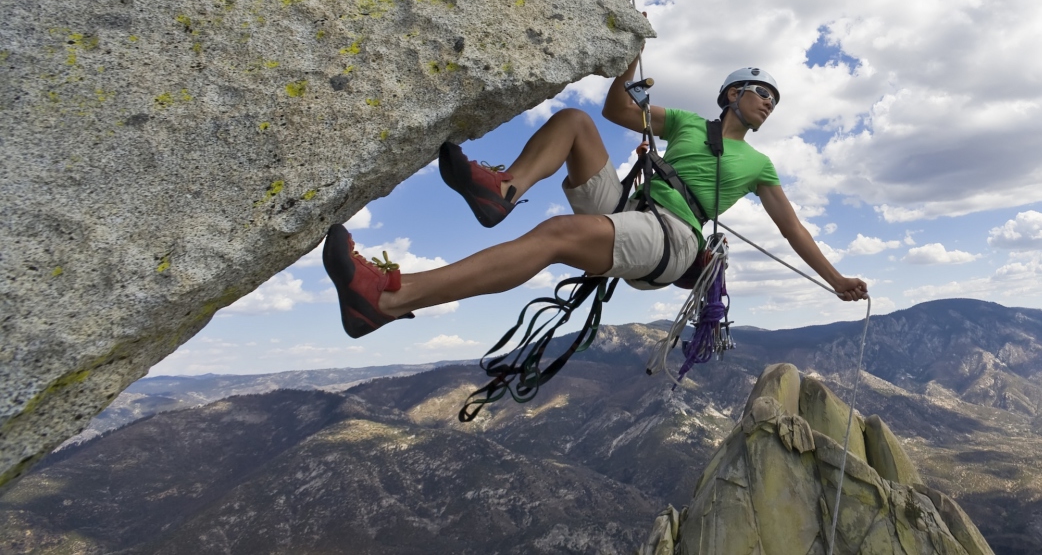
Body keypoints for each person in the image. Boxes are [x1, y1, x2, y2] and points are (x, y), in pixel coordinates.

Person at [322, 59, 868, 338]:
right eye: (761, 92)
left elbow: (792, 229)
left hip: (673, 238)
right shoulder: (681, 123)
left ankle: (388, 299)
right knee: (577, 122)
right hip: (633, 210)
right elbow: (615, 111)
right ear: (732, 94)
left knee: (557, 235)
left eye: (775, 100)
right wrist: (628, 64)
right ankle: (503, 191)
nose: (769, 103)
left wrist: (835, 279)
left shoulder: (760, 166)